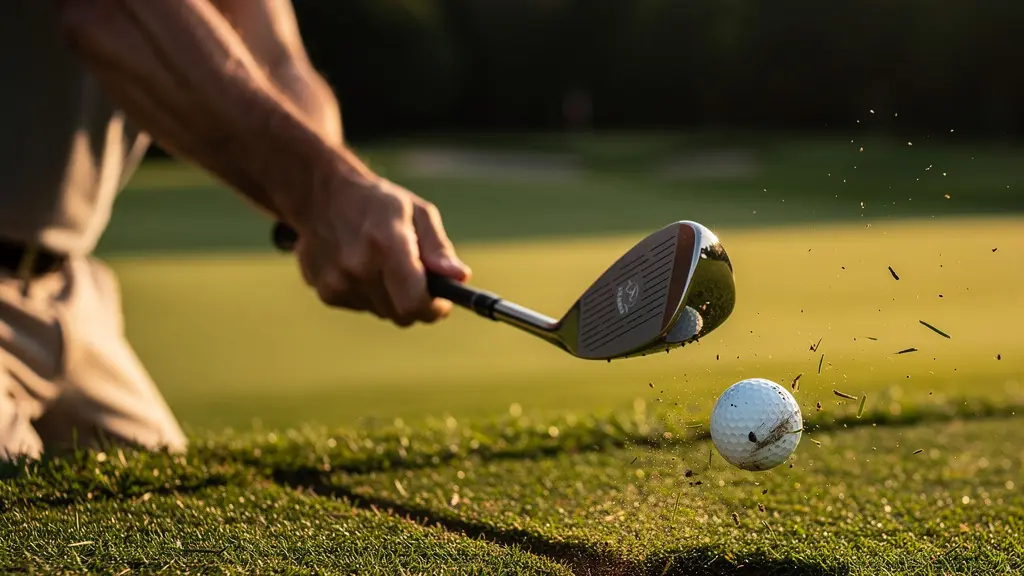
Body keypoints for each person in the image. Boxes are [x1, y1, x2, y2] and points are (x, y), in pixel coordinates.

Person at [0, 0, 471, 461]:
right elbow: (112, 18)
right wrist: (320, 191)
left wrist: (329, 200)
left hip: (67, 294)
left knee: (168, 517)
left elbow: (280, 60)